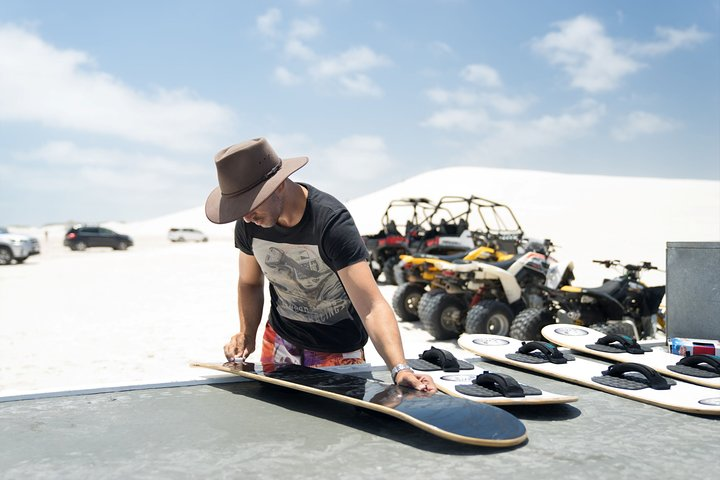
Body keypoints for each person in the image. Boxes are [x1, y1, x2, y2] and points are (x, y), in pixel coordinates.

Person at [205, 137, 435, 392]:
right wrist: (247, 334)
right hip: (280, 340)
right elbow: (249, 282)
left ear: (278, 186)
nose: (246, 216)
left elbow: (371, 305)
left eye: (250, 204)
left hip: (337, 350)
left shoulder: (331, 223)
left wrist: (399, 367)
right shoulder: (250, 224)